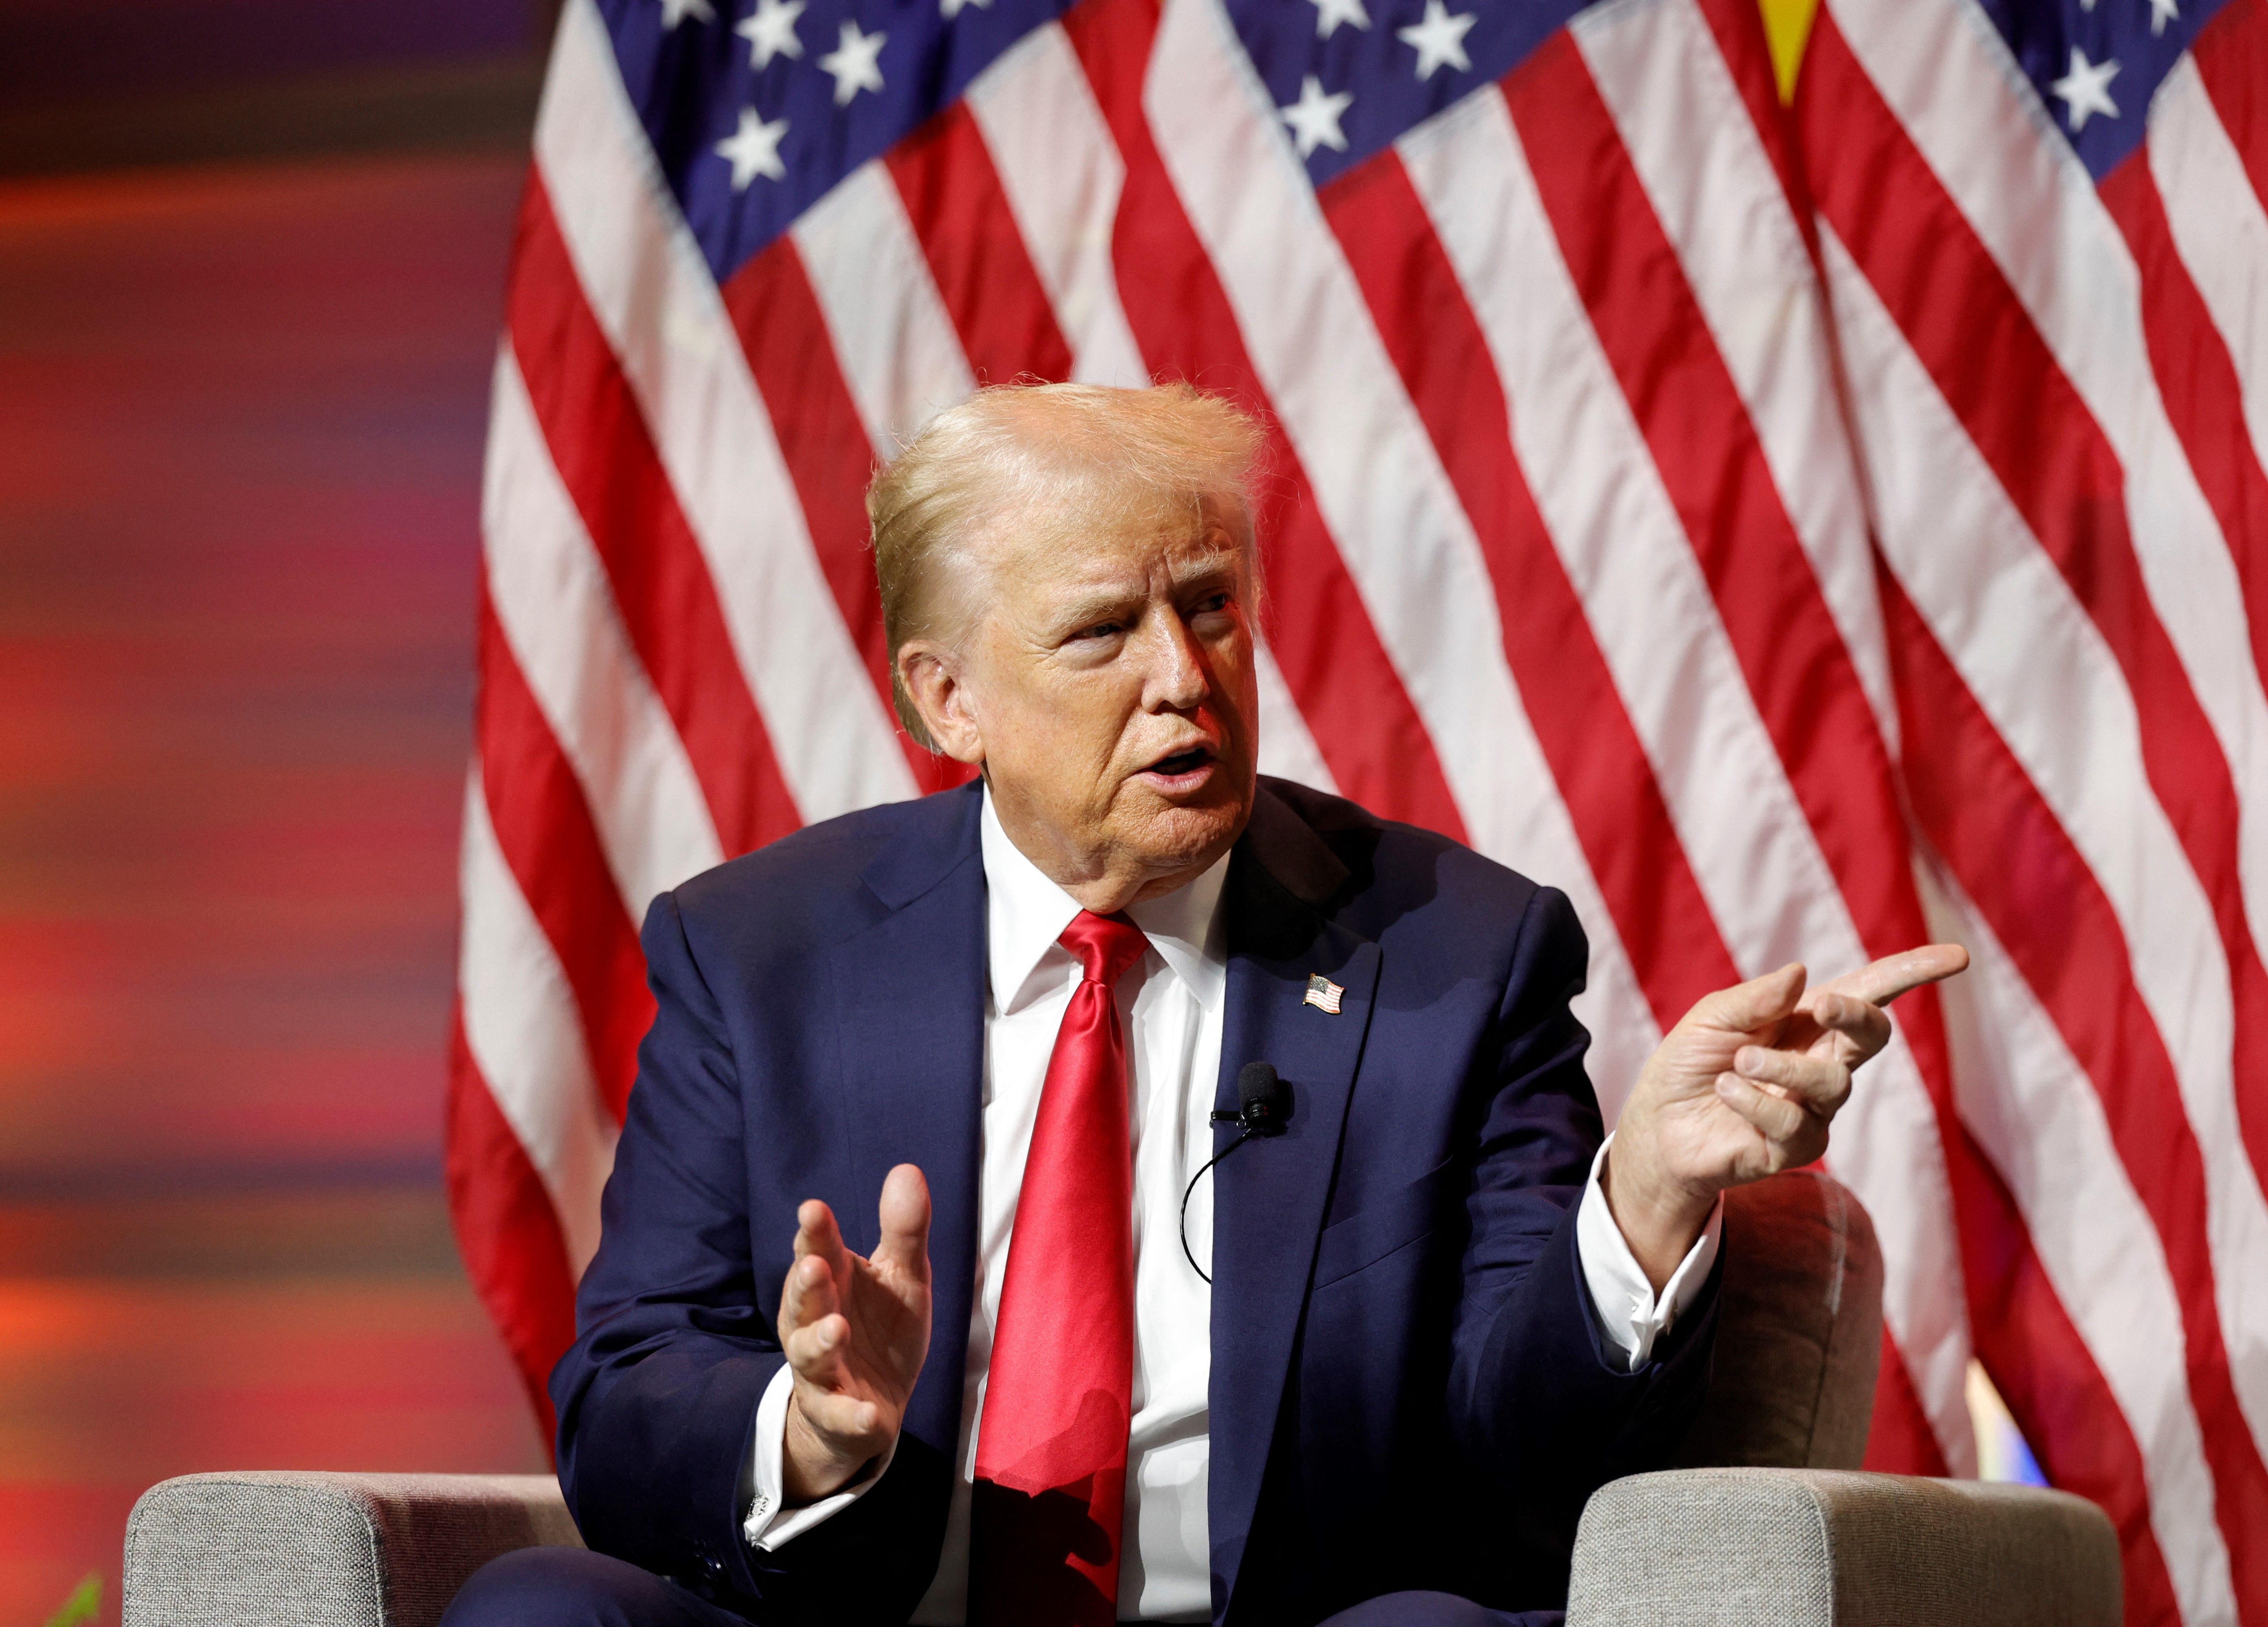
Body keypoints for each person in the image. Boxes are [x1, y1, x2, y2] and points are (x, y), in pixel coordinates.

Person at [440, 383, 1965, 1627]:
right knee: (538, 1613)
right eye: (1104, 630)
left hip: (1289, 1620)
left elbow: (1527, 1450)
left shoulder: (1459, 955)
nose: (1185, 676)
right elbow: (630, 1386)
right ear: (947, 698)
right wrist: (814, 1433)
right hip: (859, 1608)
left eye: (1214, 607)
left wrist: (1639, 1205)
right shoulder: (758, 953)